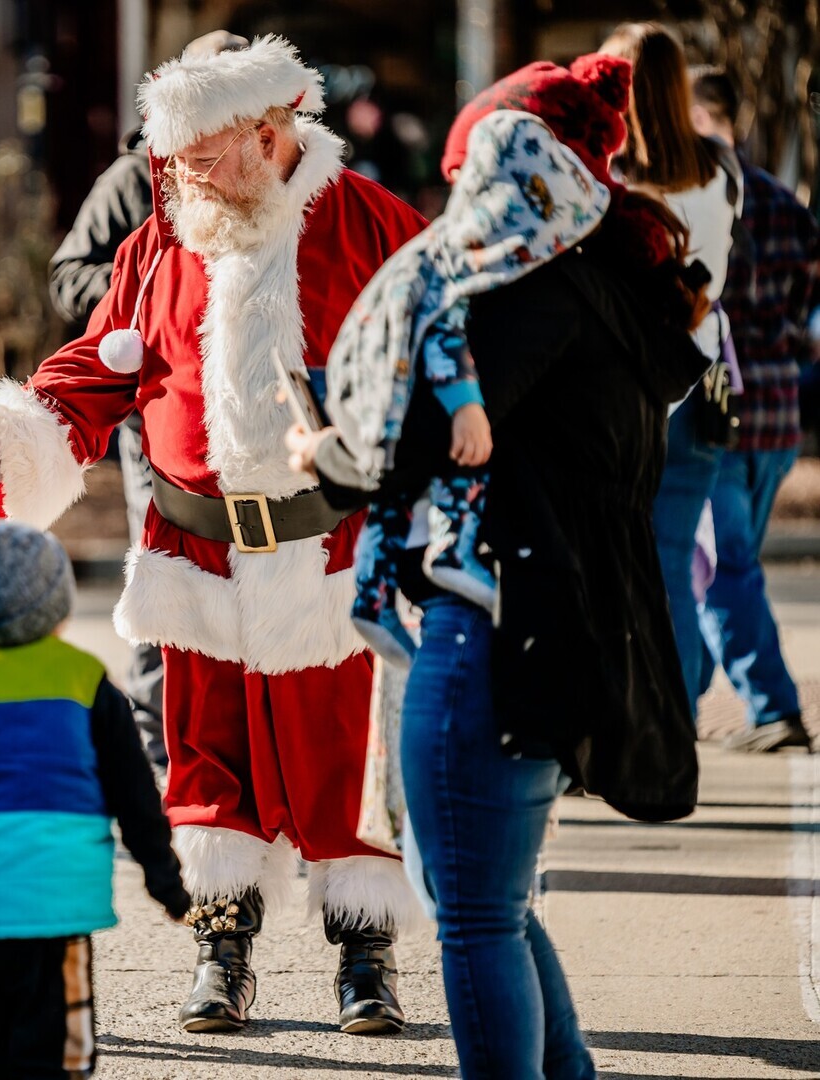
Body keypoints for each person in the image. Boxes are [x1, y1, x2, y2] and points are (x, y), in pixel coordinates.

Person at [0, 35, 429, 1035]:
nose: (180, 180)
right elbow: (101, 365)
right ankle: (222, 952)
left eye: (201, 159)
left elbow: (440, 363)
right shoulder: (162, 239)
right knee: (207, 773)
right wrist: (4, 439)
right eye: (172, 163)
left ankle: (365, 959)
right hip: (196, 557)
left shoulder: (374, 225)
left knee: (343, 772)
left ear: (267, 133)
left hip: (328, 558)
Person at [292, 56, 709, 1078]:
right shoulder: (610, 291)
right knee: (494, 903)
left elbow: (423, 443)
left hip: (494, 627)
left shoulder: (525, 291)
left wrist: (326, 454)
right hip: (555, 625)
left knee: (475, 913)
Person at [0, 522, 189, 1079]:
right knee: (59, 1048)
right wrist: (166, 884)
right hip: (51, 899)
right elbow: (135, 796)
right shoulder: (84, 681)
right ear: (57, 603)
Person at [47, 30, 248, 780]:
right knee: (160, 562)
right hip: (155, 411)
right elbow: (68, 273)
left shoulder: (279, 173)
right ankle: (155, 733)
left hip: (250, 419)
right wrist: (150, 298)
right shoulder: (136, 176)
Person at [600, 23, 744, 724]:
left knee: (627, 568)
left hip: (632, 392)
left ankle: (651, 727)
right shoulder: (720, 169)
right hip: (699, 376)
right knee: (673, 564)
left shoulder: (610, 176)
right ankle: (676, 725)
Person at [690, 68, 818, 752]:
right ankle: (684, 698)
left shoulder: (705, 195)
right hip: (779, 409)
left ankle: (771, 707)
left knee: (718, 568)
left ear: (702, 116)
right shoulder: (782, 201)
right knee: (721, 564)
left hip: (720, 410)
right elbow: (804, 304)